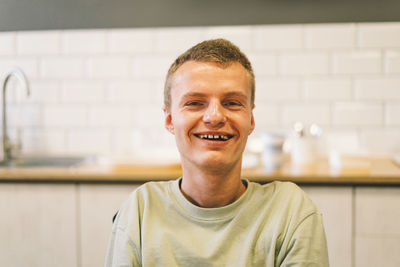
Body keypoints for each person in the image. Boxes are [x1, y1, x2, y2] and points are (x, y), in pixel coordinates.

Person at [105, 39, 329, 266]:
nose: (214, 117)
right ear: (169, 119)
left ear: (250, 120)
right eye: (194, 103)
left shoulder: (290, 212)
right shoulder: (141, 212)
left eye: (232, 103)